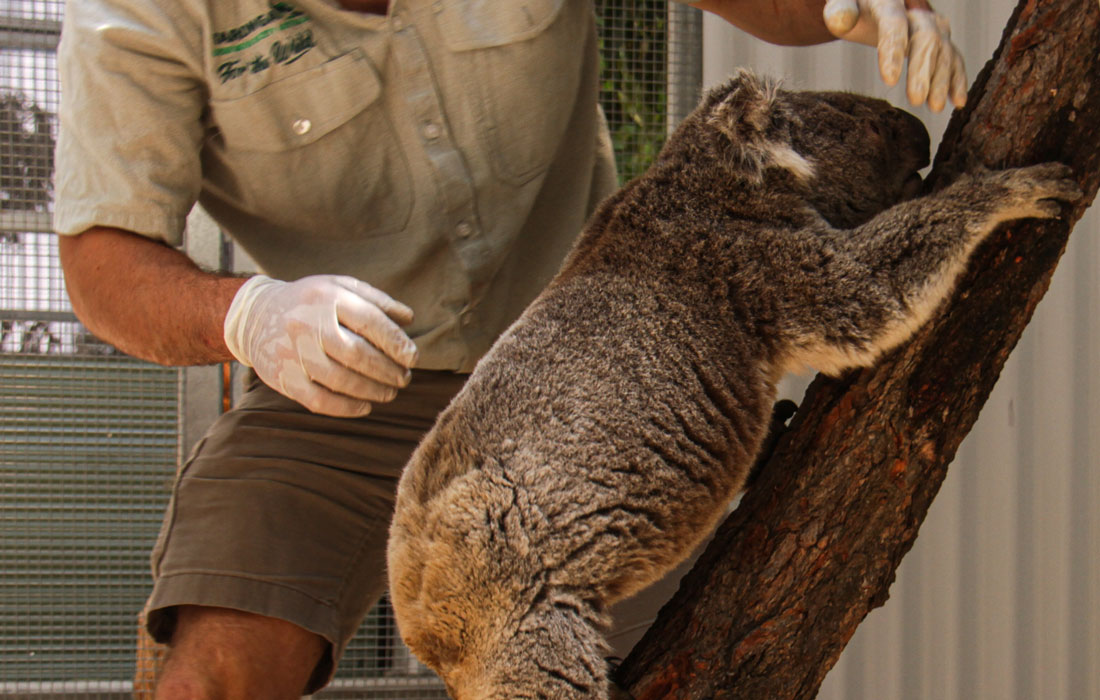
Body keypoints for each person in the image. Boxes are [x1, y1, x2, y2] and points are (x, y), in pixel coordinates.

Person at [53, 0, 965, 697]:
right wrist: (247, 314)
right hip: (336, 377)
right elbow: (102, 259)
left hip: (592, 379)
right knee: (213, 661)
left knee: (696, 655)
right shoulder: (138, 16)